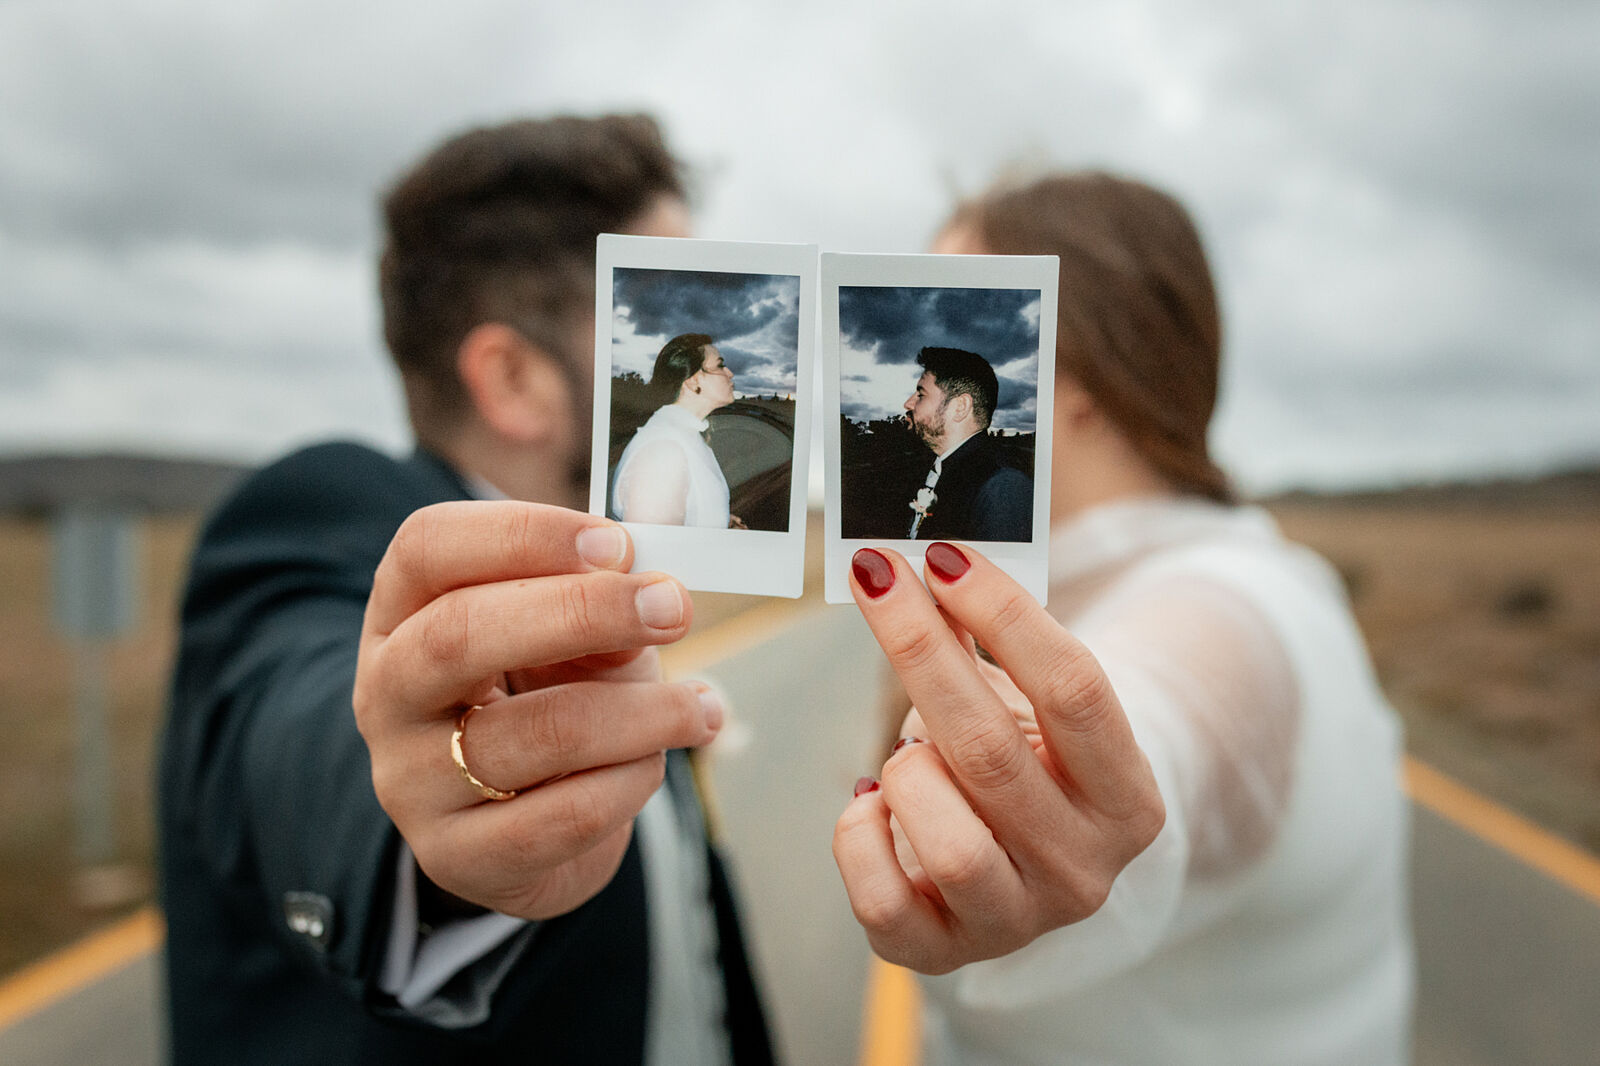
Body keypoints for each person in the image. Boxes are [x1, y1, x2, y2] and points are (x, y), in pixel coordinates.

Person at [158, 115, 773, 1065]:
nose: (717, 329)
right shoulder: (320, 516)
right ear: (516, 379)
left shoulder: (611, 586)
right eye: (662, 299)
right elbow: (305, 725)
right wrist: (430, 814)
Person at [833, 172, 1413, 1065]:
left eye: (964, 300)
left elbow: (1174, 721)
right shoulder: (1258, 565)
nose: (917, 346)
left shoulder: (1232, 605)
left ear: (1085, 375)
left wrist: (1069, 786)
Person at [901, 346, 1032, 541]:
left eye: (921, 394)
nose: (908, 404)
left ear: (960, 407)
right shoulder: (938, 468)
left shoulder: (1003, 487)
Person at [612, 332, 740, 527]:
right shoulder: (663, 453)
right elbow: (657, 551)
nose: (729, 373)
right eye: (720, 365)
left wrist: (721, 524)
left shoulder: (684, 436)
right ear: (693, 381)